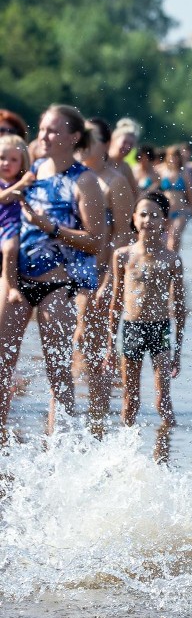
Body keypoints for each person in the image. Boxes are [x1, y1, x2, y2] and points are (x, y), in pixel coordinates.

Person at [0, 104, 106, 442]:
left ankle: (57, 450)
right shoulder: (34, 167)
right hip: (16, 282)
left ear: (73, 137)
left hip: (56, 287)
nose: (43, 135)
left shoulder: (84, 180)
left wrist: (52, 227)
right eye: (43, 128)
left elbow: (96, 241)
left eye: (52, 130)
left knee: (58, 372)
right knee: (2, 367)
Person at [105, 192, 186, 433]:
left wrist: (178, 350)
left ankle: (165, 454)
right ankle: (123, 452)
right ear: (133, 218)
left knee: (163, 402)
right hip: (132, 328)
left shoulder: (172, 259)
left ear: (164, 221)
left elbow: (179, 307)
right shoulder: (123, 255)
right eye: (143, 214)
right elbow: (116, 301)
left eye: (154, 215)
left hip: (160, 329)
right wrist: (110, 345)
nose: (148, 220)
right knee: (131, 400)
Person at [77, 117, 136, 433]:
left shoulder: (115, 179)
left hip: (96, 273)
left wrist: (110, 280)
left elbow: (124, 237)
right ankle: (64, 423)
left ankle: (97, 419)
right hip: (60, 274)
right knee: (70, 349)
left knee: (90, 344)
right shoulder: (63, 174)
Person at [0, 134, 33, 302]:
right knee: (10, 248)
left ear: (22, 163)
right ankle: (11, 286)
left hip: (18, 225)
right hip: (4, 225)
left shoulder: (24, 182)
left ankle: (14, 286)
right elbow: (3, 198)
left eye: (13, 159)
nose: (6, 163)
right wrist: (21, 185)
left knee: (12, 248)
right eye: (2, 158)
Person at [157, 145, 192, 252]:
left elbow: (190, 195)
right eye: (171, 156)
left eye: (176, 156)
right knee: (162, 241)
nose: (173, 159)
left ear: (180, 158)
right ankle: (166, 265)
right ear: (167, 157)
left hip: (180, 212)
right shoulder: (162, 172)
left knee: (174, 238)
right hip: (165, 212)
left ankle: (174, 265)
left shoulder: (184, 174)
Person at [108, 118, 140, 196]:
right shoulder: (102, 160)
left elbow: (135, 194)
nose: (127, 147)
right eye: (124, 142)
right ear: (113, 140)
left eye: (131, 144)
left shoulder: (126, 168)